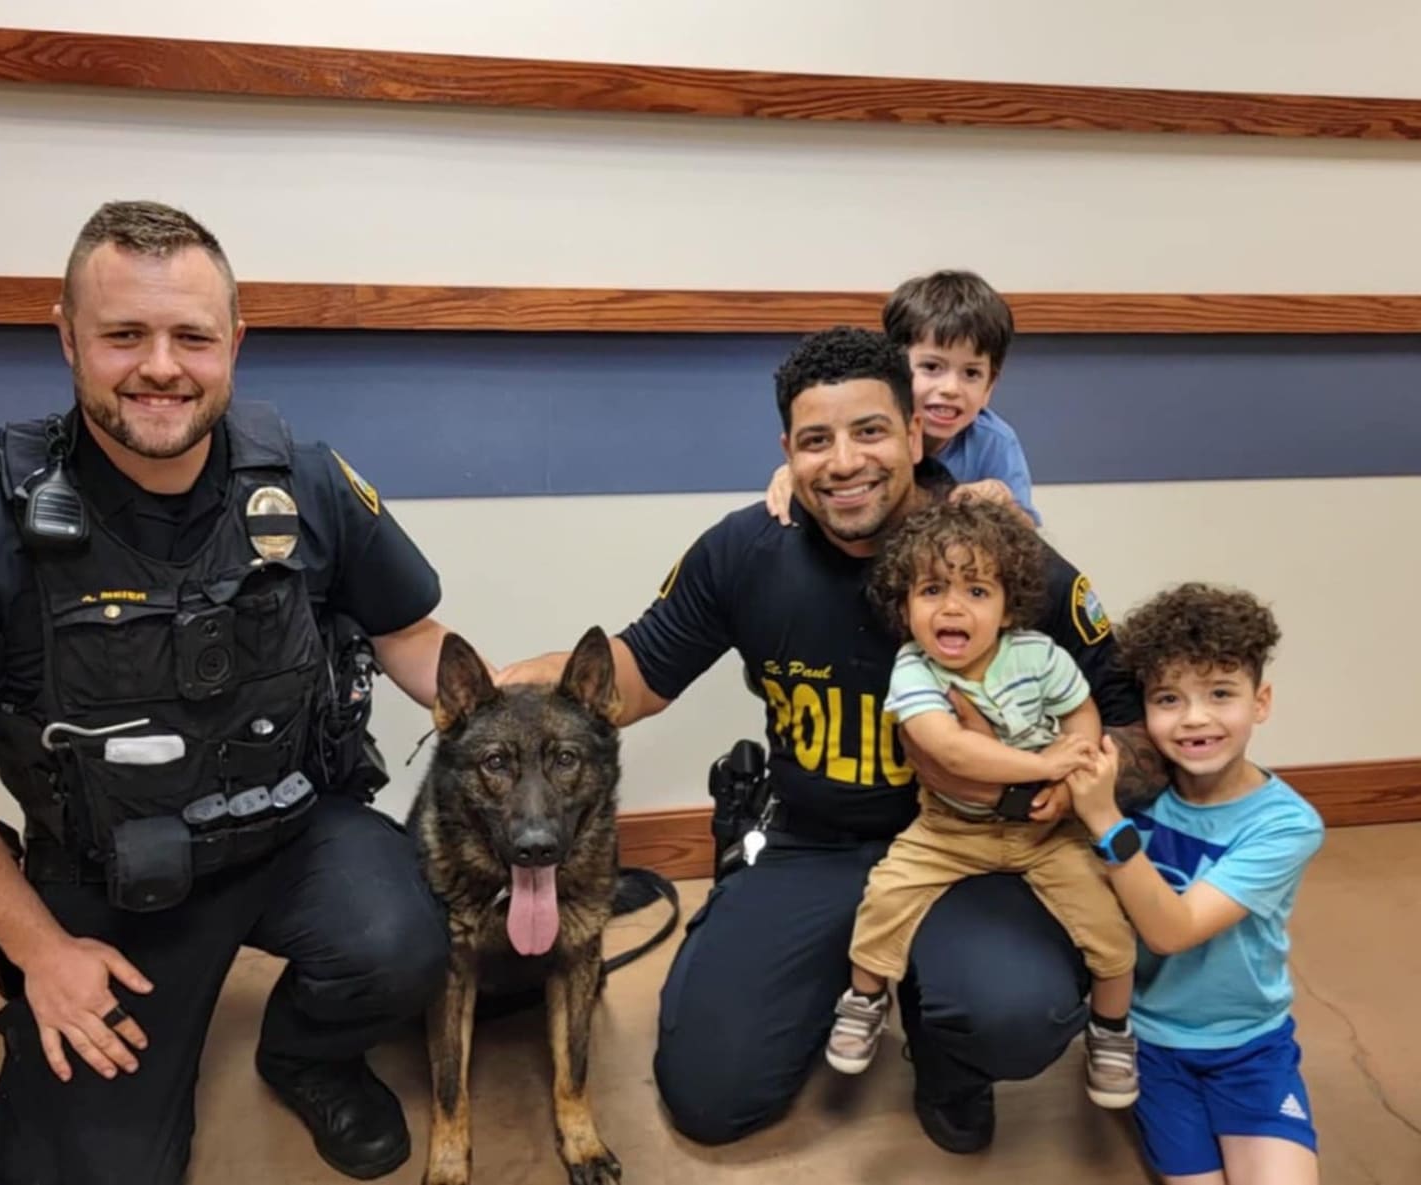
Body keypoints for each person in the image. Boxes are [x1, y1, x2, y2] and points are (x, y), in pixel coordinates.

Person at [0, 200, 457, 1184]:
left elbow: (413, 637)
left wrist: (540, 713)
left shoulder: (303, 479)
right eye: (124, 334)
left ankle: (307, 1051)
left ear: (235, 345)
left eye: (192, 337)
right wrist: (43, 952)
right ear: (68, 339)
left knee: (407, 940)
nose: (162, 366)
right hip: (109, 879)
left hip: (294, 830)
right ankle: (43, 994)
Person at [498, 326, 1166, 1153]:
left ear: (916, 435)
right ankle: (818, 962)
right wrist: (520, 684)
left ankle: (946, 1045)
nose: (844, 461)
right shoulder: (746, 548)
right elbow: (635, 671)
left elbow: (1135, 720)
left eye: (871, 431)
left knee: (1011, 1012)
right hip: (812, 841)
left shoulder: (1005, 561)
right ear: (788, 450)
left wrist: (1083, 786)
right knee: (710, 1096)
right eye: (816, 440)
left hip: (978, 845)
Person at [825, 499, 1139, 1115]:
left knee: (1107, 921)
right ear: (904, 605)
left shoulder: (1039, 654)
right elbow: (952, 750)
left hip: (1048, 834)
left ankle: (1112, 1029)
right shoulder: (914, 670)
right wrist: (1046, 765)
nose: (952, 607)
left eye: (976, 589)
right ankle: (864, 999)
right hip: (949, 829)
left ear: (1008, 604)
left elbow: (1080, 709)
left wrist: (1071, 759)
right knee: (885, 894)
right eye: (932, 589)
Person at [1066, 583, 1324, 1185]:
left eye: (1220, 694)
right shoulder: (1136, 796)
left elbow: (1171, 931)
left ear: (1260, 702)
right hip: (1151, 1046)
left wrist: (1105, 821)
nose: (1195, 718)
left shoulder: (1286, 825)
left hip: (1252, 1047)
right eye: (1169, 698)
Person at [764, 269, 1041, 524]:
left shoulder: (995, 441)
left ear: (989, 387)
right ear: (896, 369)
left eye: (971, 373)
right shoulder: (870, 423)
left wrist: (1003, 502)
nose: (951, 389)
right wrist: (791, 475)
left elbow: (1030, 539)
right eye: (932, 367)